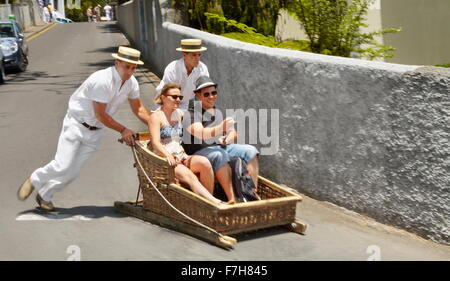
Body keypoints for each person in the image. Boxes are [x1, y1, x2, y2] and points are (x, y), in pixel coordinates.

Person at [17, 46, 152, 211]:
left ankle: (45, 194)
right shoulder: (103, 80)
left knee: (72, 173)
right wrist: (123, 130)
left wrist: (156, 124)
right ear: (117, 63)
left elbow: (138, 108)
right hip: (76, 124)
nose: (130, 71)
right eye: (127, 66)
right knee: (62, 165)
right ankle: (34, 179)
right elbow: (100, 114)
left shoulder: (131, 83)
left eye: (133, 67)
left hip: (95, 132)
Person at [182, 76, 260, 202]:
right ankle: (232, 198)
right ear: (198, 95)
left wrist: (228, 138)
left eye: (214, 93)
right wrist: (220, 128)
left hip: (221, 147)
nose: (211, 96)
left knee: (250, 151)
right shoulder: (190, 114)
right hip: (198, 152)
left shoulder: (220, 110)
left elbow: (233, 132)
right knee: (220, 154)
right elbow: (201, 133)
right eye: (206, 94)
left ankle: (251, 193)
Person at [148, 83, 224, 205]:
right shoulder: (156, 117)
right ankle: (215, 203)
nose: (178, 100)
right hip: (165, 159)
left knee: (205, 163)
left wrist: (217, 131)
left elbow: (197, 121)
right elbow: (155, 142)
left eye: (180, 97)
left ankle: (207, 203)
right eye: (174, 97)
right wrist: (168, 155)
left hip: (181, 155)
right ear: (163, 97)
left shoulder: (180, 114)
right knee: (190, 177)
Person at [155, 39, 209, 111]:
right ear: (184, 54)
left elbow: (204, 92)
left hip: (190, 104)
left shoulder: (203, 69)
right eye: (194, 55)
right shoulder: (172, 69)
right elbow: (167, 95)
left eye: (199, 55)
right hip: (168, 103)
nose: (197, 58)